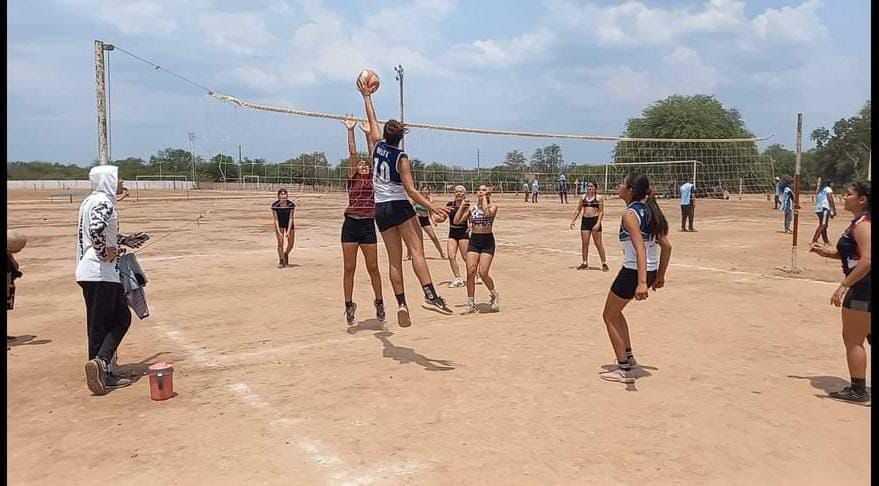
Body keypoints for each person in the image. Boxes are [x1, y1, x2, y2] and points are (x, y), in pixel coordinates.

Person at [359, 80, 452, 327]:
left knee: (394, 260)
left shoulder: (376, 147)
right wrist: (433, 207)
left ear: (385, 135)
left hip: (380, 210)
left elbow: (372, 123)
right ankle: (430, 294)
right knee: (417, 252)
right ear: (401, 137)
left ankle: (401, 304)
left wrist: (366, 96)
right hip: (399, 205)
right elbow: (411, 190)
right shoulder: (402, 158)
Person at [76, 165, 147, 395]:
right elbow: (96, 231)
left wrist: (125, 240)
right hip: (99, 273)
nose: (121, 181)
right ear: (107, 180)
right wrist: (105, 252)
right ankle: (100, 371)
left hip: (99, 273)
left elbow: (101, 231)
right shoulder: (103, 202)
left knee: (120, 318)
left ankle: (101, 364)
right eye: (117, 178)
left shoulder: (93, 201)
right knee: (104, 324)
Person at [599, 174, 672, 384]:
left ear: (630, 190)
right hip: (647, 270)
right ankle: (629, 359)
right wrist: (659, 275)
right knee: (616, 313)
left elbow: (640, 247)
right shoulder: (648, 211)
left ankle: (624, 368)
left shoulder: (630, 215)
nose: (618, 186)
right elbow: (667, 246)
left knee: (608, 316)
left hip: (633, 272)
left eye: (622, 183)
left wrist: (642, 282)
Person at [809, 181, 871, 403]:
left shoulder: (863, 224)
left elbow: (867, 260)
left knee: (853, 339)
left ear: (862, 200)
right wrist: (828, 253)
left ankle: (858, 391)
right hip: (864, 285)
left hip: (863, 288)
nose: (844, 197)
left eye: (849, 194)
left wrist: (845, 284)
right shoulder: (859, 223)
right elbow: (853, 253)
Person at [339, 117, 385, 326]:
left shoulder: (374, 178)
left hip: (367, 225)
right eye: (361, 165)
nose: (363, 166)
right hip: (350, 225)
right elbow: (353, 155)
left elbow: (373, 155)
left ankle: (379, 302)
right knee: (349, 268)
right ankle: (349, 305)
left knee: (373, 267)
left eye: (366, 165)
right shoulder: (353, 178)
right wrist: (350, 130)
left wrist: (368, 134)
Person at [455, 185, 500, 314]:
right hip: (474, 241)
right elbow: (457, 221)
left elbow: (487, 213)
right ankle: (471, 303)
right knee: (471, 271)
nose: (481, 192)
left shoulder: (493, 207)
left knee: (483, 272)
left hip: (487, 241)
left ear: (489, 193)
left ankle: (494, 294)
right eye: (479, 190)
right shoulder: (472, 209)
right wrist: (462, 207)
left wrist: (484, 198)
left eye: (484, 190)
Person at [434, 185, 469, 288]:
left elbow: (461, 220)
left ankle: (475, 274)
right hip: (452, 233)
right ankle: (458, 278)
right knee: (451, 256)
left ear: (464, 194)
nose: (458, 193)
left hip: (463, 233)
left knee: (465, 257)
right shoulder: (450, 204)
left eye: (460, 192)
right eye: (456, 192)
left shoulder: (466, 205)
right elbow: (443, 218)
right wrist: (436, 217)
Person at [569, 181, 609, 271]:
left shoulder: (599, 198)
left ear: (595, 188)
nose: (589, 188)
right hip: (585, 221)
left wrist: (598, 223)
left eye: (591, 186)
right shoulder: (582, 197)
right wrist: (573, 220)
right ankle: (584, 263)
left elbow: (601, 211)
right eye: (588, 186)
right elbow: (578, 210)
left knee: (598, 243)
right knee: (585, 243)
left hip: (595, 220)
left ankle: (604, 263)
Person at [413, 186, 446, 259]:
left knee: (433, 236)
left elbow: (430, 211)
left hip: (425, 219)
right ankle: (411, 255)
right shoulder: (416, 198)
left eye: (427, 190)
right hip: (416, 219)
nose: (425, 191)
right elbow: (412, 208)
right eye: (424, 190)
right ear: (421, 191)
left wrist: (433, 221)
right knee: (417, 238)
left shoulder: (430, 200)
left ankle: (442, 253)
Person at [271, 188, 296, 268]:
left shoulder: (291, 205)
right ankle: (281, 260)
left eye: (285, 194)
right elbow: (276, 219)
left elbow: (291, 218)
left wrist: (288, 231)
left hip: (289, 224)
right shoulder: (275, 205)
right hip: (280, 224)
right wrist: (278, 231)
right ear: (278, 196)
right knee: (280, 243)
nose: (283, 196)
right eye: (281, 194)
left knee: (291, 244)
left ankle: (285, 254)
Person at [811, 179, 836, 244]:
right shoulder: (828, 189)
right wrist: (833, 209)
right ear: (829, 184)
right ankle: (814, 240)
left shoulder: (821, 191)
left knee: (823, 225)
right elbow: (830, 199)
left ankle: (826, 241)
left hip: (818, 208)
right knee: (823, 225)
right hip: (824, 208)